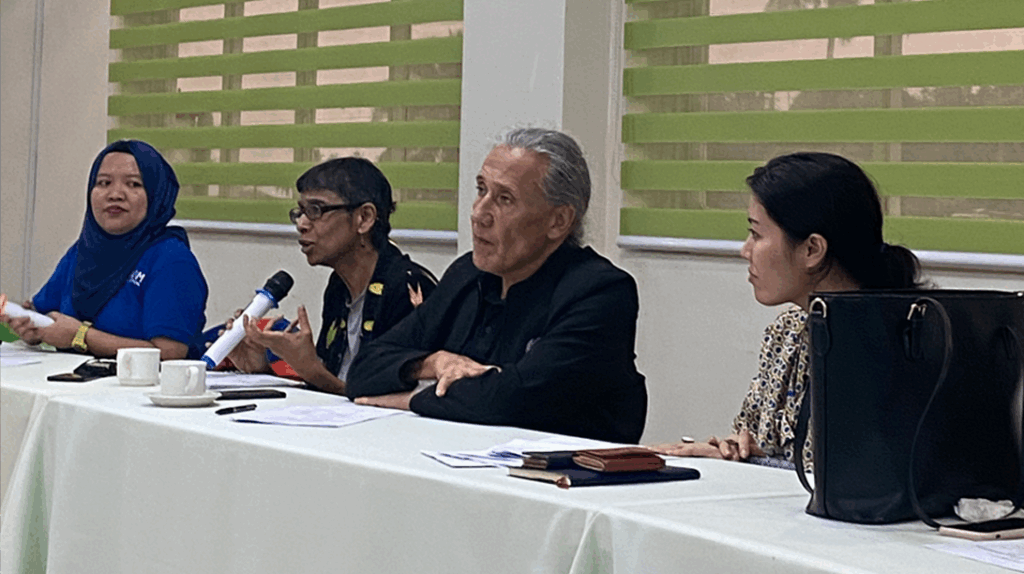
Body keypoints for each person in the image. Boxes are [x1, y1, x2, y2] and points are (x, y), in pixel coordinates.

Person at [347, 128, 648, 444]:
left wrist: (411, 400)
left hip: (557, 471)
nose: (479, 213)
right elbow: (364, 370)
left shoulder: (600, 292)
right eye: (481, 190)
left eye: (505, 199)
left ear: (558, 221)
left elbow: (510, 399)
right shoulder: (467, 275)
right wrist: (433, 363)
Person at [650, 152, 924, 465]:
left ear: (812, 249)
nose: (745, 250)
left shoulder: (896, 344)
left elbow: (852, 473)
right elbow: (754, 439)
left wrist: (757, 463)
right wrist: (733, 451)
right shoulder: (787, 332)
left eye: (756, 234)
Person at [223, 157, 437, 395]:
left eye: (316, 210)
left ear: (364, 218)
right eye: (300, 212)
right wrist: (260, 369)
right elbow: (333, 393)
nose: (302, 224)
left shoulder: (409, 288)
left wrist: (310, 370)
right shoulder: (339, 286)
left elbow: (394, 402)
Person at [0, 140, 208, 359]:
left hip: (139, 381)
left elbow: (169, 353)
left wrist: (81, 336)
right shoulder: (82, 252)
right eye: (104, 183)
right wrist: (33, 330)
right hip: (70, 377)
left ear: (156, 195)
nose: (115, 194)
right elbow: (45, 314)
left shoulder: (171, 260)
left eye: (133, 184)